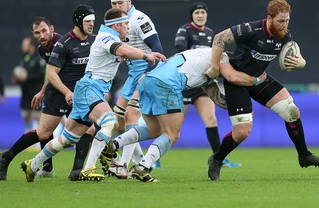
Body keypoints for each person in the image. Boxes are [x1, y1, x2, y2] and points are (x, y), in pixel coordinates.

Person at [20, 8, 166, 182]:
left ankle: (33, 164)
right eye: (126, 23)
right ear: (117, 25)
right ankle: (89, 168)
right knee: (110, 122)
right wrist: (147, 55)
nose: (128, 26)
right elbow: (123, 51)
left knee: (68, 138)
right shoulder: (106, 38)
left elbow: (124, 51)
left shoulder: (108, 37)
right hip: (90, 88)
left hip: (87, 89)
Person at [204, 0, 319, 181]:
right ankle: (217, 159)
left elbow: (295, 55)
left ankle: (304, 155)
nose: (284, 24)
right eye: (280, 21)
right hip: (238, 81)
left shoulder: (285, 35)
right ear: (269, 18)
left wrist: (302, 62)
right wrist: (215, 66)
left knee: (291, 110)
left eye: (287, 20)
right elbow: (219, 39)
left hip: (260, 78)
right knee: (242, 132)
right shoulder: (250, 30)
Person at [106, 47, 267, 182]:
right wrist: (258, 80)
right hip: (167, 85)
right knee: (172, 135)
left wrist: (240, 110)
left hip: (148, 81)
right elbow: (232, 76)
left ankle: (114, 145)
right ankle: (143, 167)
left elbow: (216, 97)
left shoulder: (203, 55)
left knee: (154, 129)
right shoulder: (223, 59)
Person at [0, 5, 96, 181]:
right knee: (44, 132)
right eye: (37, 33)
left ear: (51, 29)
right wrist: (43, 91)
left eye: (44, 31)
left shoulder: (62, 42)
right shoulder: (42, 49)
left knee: (88, 129)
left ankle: (75, 170)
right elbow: (52, 73)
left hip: (75, 92)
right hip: (58, 93)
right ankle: (7, 157)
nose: (41, 36)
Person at [106, 0, 164, 177]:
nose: (117, 6)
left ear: (129, 1)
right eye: (114, 3)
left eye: (121, 2)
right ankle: (139, 161)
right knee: (118, 120)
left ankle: (122, 164)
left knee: (131, 116)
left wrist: (146, 74)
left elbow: (157, 48)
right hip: (132, 75)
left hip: (146, 73)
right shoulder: (116, 21)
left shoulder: (139, 19)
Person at [174, 1, 240, 168]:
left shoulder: (212, 34)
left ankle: (219, 159)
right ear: (192, 16)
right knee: (175, 126)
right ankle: (156, 158)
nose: (200, 15)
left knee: (211, 120)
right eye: (197, 13)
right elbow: (180, 52)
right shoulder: (185, 30)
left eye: (203, 13)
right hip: (187, 85)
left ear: (206, 15)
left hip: (204, 84)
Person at [12, 37, 45, 137]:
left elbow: (42, 75)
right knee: (26, 116)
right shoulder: (23, 60)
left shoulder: (38, 59)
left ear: (31, 46)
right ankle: (28, 139)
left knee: (38, 117)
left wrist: (27, 77)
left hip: (35, 94)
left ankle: (38, 140)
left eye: (24, 44)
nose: (22, 47)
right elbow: (20, 77)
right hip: (25, 95)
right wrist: (16, 79)